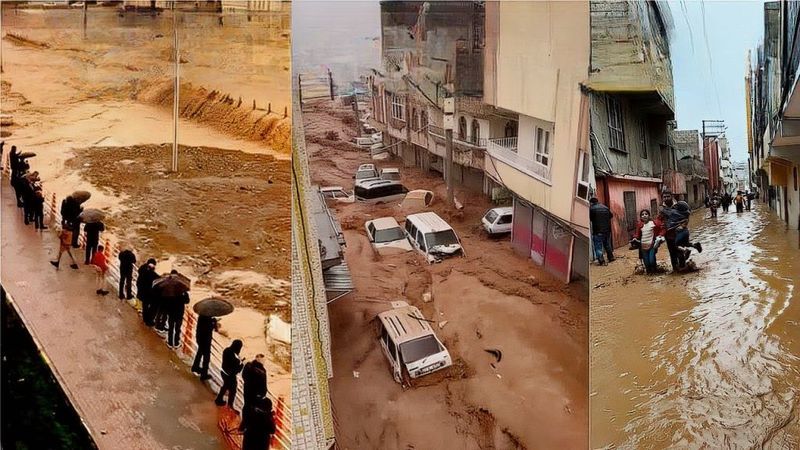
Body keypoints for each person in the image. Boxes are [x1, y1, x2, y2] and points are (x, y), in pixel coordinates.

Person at [631, 209, 665, 274]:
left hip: (652, 245)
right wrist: (635, 238)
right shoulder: (640, 225)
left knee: (651, 260)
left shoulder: (653, 223)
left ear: (649, 216)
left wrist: (660, 236)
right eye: (642, 215)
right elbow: (637, 235)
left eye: (646, 214)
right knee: (646, 262)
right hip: (643, 246)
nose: (644, 216)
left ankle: (655, 272)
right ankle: (649, 274)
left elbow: (662, 228)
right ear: (641, 217)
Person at [215, 339, 245, 408]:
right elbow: (237, 370)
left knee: (225, 386)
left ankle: (219, 399)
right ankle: (230, 405)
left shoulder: (226, 350)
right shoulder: (235, 359)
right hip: (230, 375)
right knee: (233, 390)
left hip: (223, 372)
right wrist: (241, 364)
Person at [191, 315, 219, 380]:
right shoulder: (207, 319)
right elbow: (209, 328)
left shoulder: (202, 316)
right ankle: (204, 374)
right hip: (205, 340)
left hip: (200, 338)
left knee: (200, 352)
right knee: (206, 357)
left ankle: (195, 367)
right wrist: (213, 324)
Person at [589, 197, 615, 265]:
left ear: (591, 203)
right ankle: (611, 258)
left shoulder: (591, 209)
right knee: (607, 245)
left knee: (598, 247)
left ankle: (602, 261)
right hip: (607, 231)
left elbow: (590, 218)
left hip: (598, 231)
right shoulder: (605, 207)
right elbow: (611, 216)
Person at [166, 281, 190, 349]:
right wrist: (185, 294)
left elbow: (168, 301)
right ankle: (176, 342)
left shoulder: (171, 292)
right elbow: (187, 301)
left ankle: (170, 343)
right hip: (179, 313)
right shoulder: (184, 293)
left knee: (171, 328)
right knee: (177, 329)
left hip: (171, 312)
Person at [137, 259, 159, 326]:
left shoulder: (142, 270)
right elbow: (157, 279)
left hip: (142, 291)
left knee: (144, 305)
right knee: (150, 307)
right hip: (148, 293)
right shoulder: (152, 274)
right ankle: (148, 321)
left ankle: (145, 318)